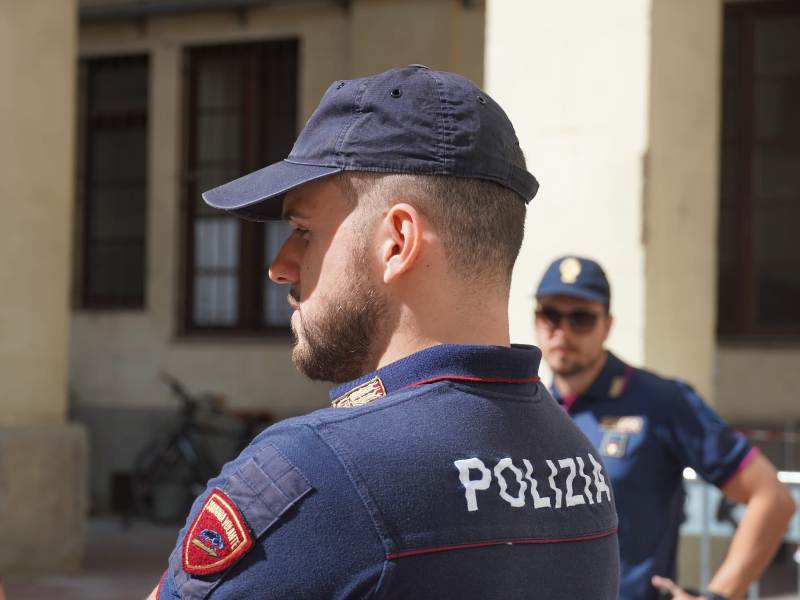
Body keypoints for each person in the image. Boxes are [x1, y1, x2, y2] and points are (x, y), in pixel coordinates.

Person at [147, 66, 620, 599]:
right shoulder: (577, 461)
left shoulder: (316, 471)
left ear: (397, 241)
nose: (280, 265)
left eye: (303, 231)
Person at [533, 255, 796, 600]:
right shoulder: (530, 405)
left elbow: (772, 499)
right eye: (550, 316)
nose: (562, 331)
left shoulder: (660, 401)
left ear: (607, 325)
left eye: (580, 318)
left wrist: (719, 595)